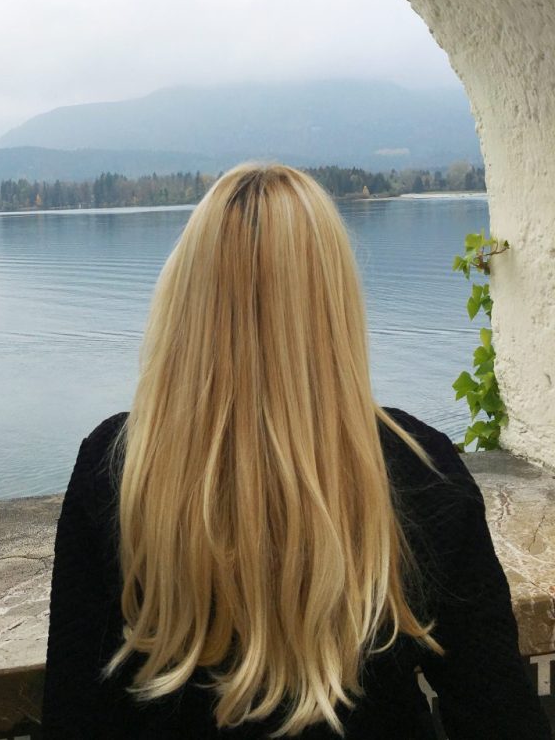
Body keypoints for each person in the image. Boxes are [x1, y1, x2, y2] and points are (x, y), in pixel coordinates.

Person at [42, 163, 549, 739]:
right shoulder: (418, 467)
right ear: (334, 301)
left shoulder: (118, 465)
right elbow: (499, 712)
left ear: (186, 292)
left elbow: (73, 713)